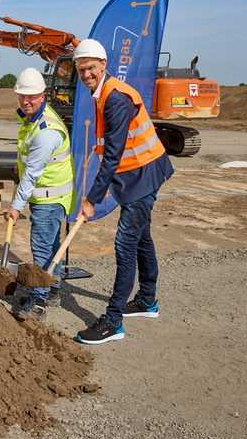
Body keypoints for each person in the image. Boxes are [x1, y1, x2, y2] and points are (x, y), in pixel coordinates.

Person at [72, 39, 174, 345]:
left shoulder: (115, 98)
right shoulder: (102, 92)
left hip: (142, 175)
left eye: (91, 67)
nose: (87, 73)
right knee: (142, 237)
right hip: (137, 174)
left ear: (104, 64)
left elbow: (113, 156)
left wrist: (91, 199)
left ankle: (113, 321)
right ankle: (147, 301)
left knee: (124, 245)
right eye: (81, 69)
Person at [5, 67, 76, 321]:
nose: (26, 101)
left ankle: (38, 301)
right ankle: (53, 289)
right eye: (22, 96)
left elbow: (33, 173)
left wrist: (15, 206)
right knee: (52, 244)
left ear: (43, 95)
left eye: (31, 96)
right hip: (50, 195)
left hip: (48, 197)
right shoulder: (34, 118)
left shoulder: (46, 130)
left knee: (42, 248)